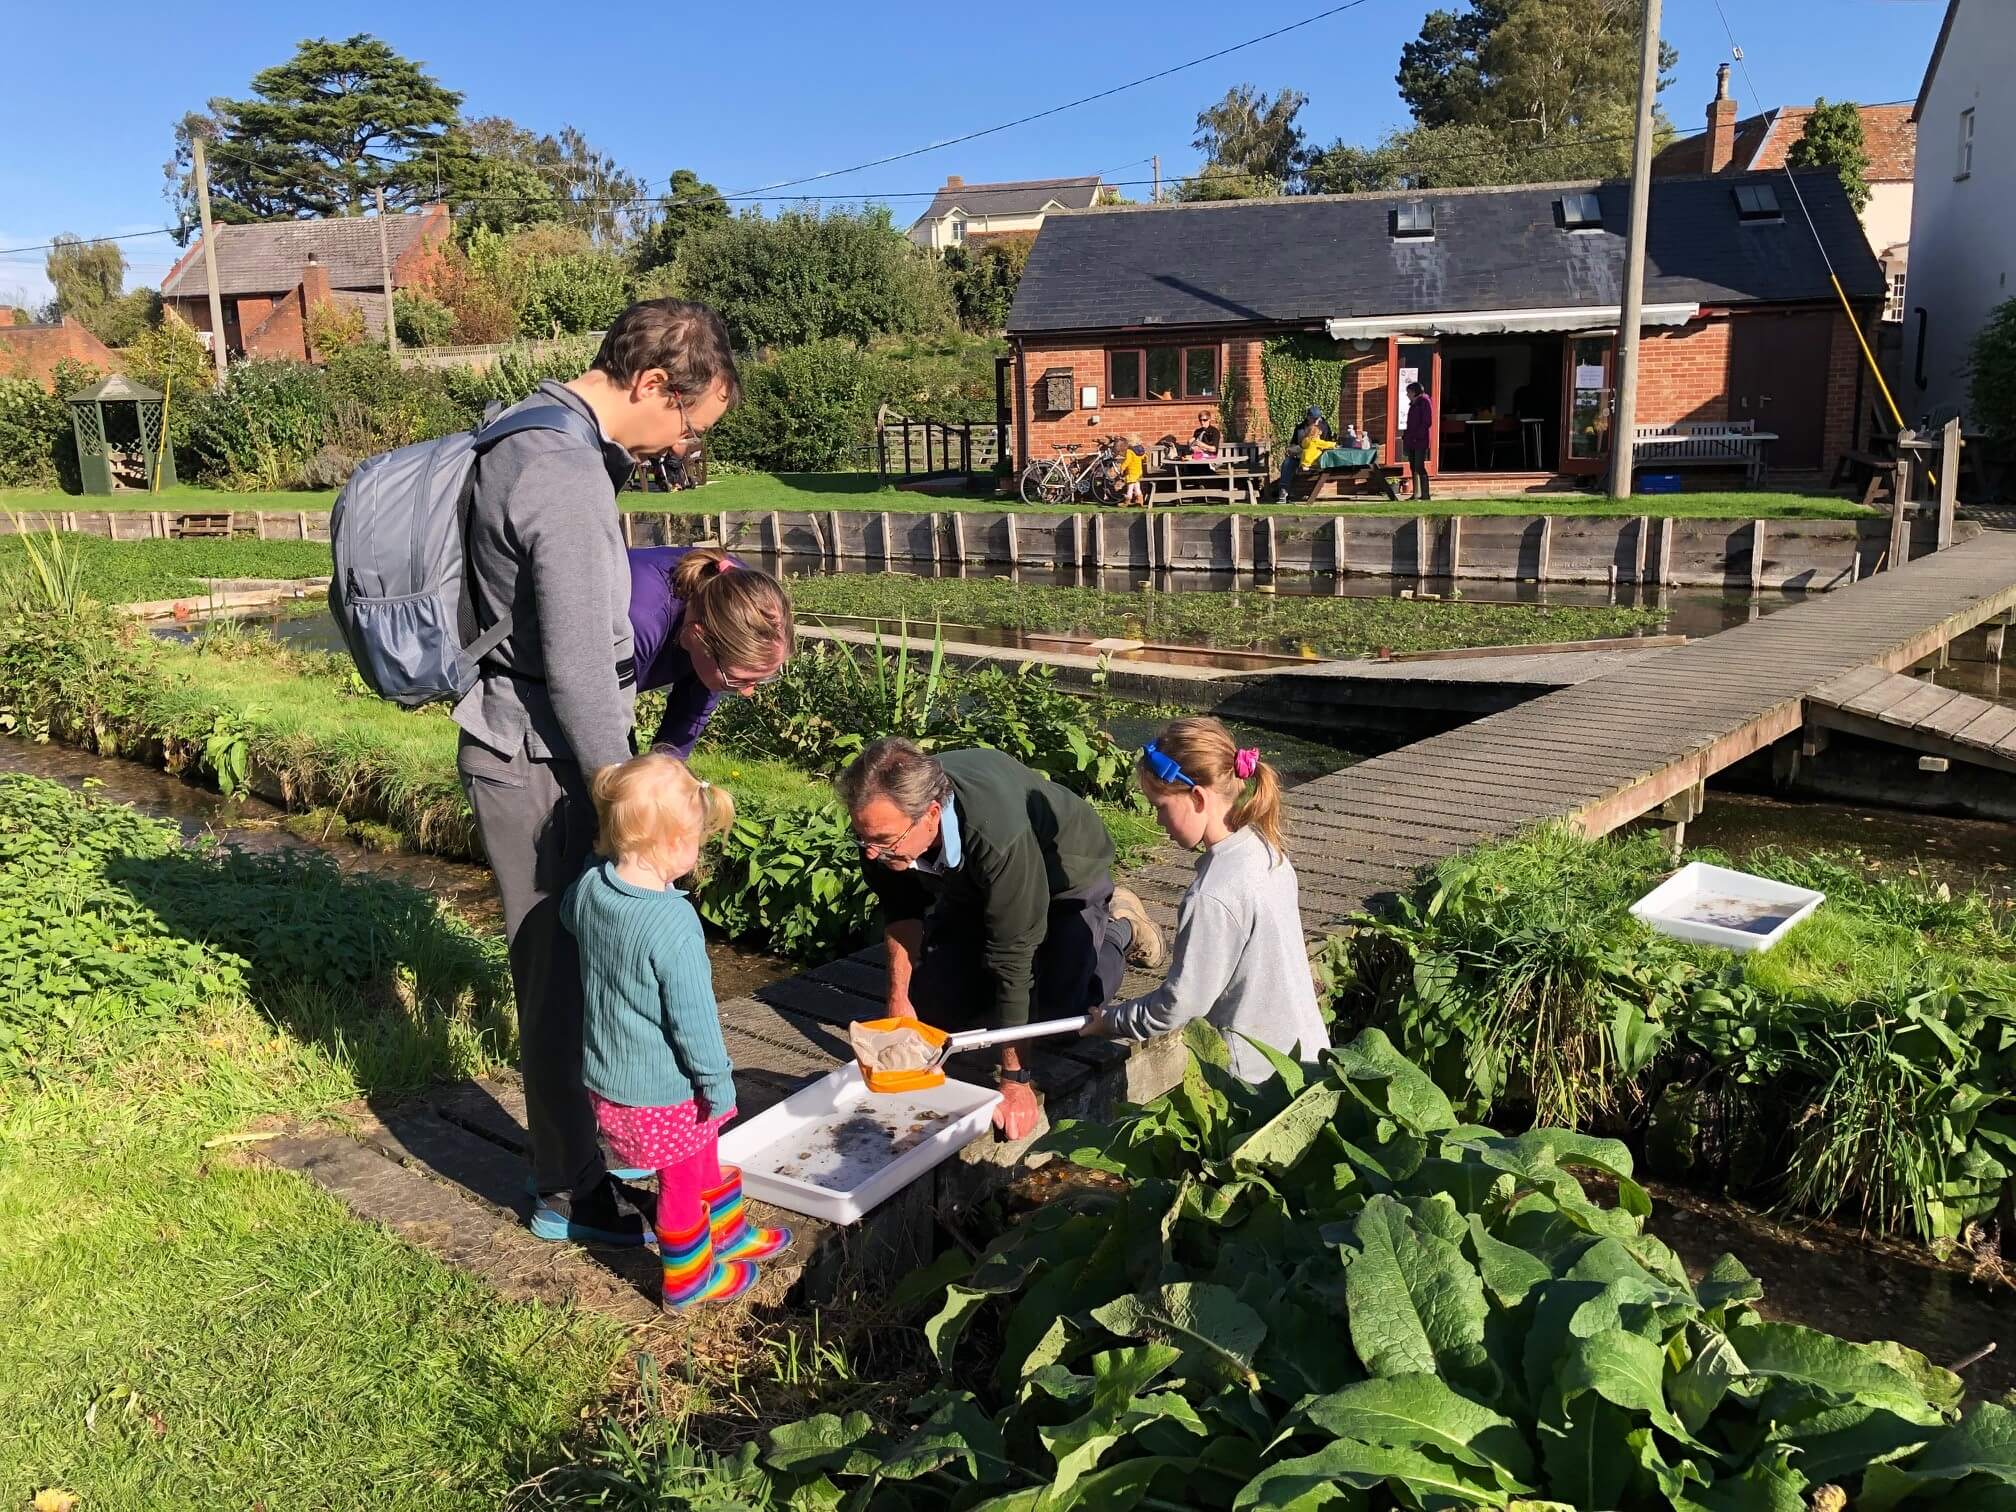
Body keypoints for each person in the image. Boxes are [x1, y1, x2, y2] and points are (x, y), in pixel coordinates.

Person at [455, 298, 737, 1248]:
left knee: (575, 967)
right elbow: (581, 664)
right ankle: (573, 1192)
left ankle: (588, 1168)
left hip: (530, 744)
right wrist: (632, 800)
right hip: (536, 758)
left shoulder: (529, 428)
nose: (678, 450)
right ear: (654, 384)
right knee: (559, 976)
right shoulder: (568, 473)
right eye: (688, 427)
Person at [837, 738, 1165, 1141]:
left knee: (1059, 1021)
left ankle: (1121, 925)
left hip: (1064, 875)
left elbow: (1014, 954)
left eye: (883, 841)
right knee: (932, 1013)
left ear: (932, 814)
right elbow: (902, 911)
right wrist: (900, 1003)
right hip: (972, 887)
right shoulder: (881, 830)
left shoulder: (995, 834)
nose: (870, 854)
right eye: (863, 839)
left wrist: (1015, 1079)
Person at [561, 754, 792, 1309]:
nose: (699, 852)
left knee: (702, 1153)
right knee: (682, 1183)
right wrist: (718, 1083)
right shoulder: (673, 922)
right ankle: (689, 1280)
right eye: (697, 840)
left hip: (609, 1078)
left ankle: (729, 1235)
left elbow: (569, 918)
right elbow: (695, 1021)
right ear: (672, 843)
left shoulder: (593, 886)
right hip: (664, 1089)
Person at [1082, 719, 1329, 1083]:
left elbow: (1180, 1004)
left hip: (1257, 1082)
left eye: (1161, 806)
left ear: (1197, 797)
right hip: (1307, 1057)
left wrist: (1110, 1021)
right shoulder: (1266, 849)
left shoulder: (1212, 894)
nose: (1158, 820)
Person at [628, 546, 795, 757]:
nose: (748, 693)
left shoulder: (731, 593)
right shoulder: (641, 618)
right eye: (738, 679)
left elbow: (690, 715)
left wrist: (666, 772)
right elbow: (598, 714)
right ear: (697, 637)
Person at [1277, 405, 1334, 499]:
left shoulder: (1324, 427)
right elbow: (1293, 443)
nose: (1317, 421)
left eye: (1318, 418)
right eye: (1314, 418)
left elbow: (1327, 443)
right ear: (1308, 417)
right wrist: (1294, 450)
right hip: (1300, 456)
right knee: (1287, 462)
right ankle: (1283, 491)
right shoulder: (1300, 428)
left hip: (1316, 458)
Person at [1403, 381, 1433, 501]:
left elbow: (1427, 422)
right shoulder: (1414, 404)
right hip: (1412, 440)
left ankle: (1425, 494)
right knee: (1413, 466)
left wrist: (1417, 436)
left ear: (1414, 392)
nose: (1407, 395)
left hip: (1420, 440)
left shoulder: (1424, 402)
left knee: (1419, 466)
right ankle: (1416, 493)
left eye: (1408, 392)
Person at [1119, 435, 1148, 506]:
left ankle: (1127, 501)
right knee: (1137, 486)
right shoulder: (1141, 450)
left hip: (1132, 471)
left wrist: (1122, 468)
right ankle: (1140, 500)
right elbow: (1145, 457)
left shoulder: (1130, 451)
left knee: (1130, 486)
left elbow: (1127, 461)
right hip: (1138, 471)